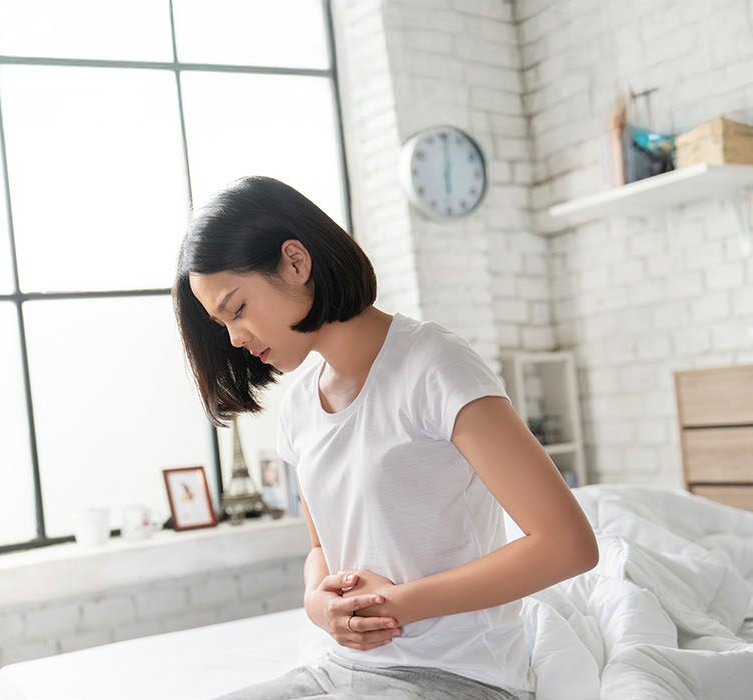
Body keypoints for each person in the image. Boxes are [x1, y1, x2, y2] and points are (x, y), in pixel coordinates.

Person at [174, 176, 598, 700]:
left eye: (236, 309)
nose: (235, 338)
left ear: (295, 262)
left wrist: (395, 605)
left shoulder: (433, 365)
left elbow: (567, 545)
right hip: (341, 671)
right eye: (222, 324)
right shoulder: (300, 406)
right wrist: (316, 602)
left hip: (461, 676)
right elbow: (319, 547)